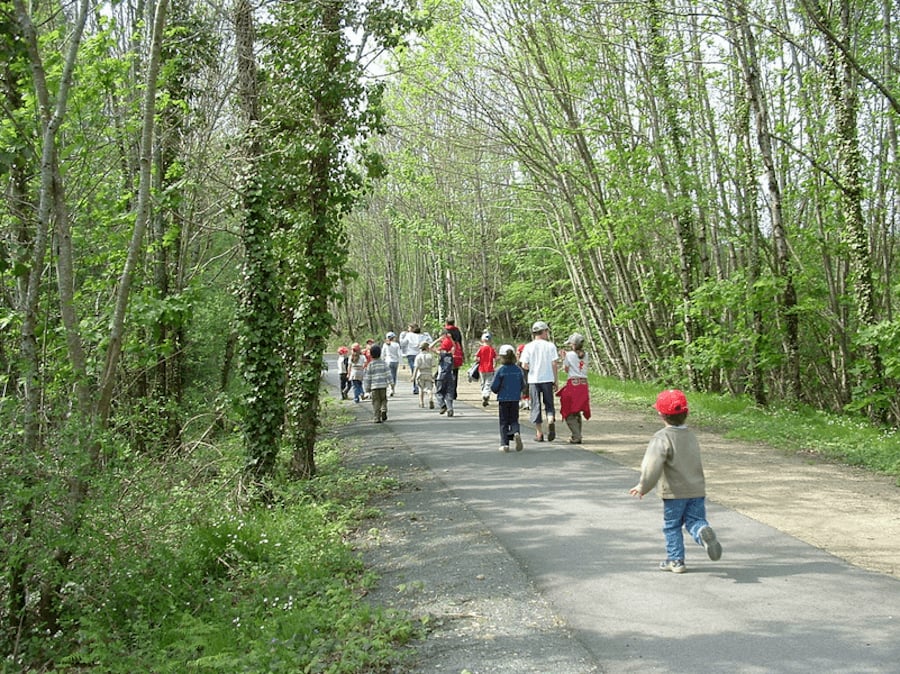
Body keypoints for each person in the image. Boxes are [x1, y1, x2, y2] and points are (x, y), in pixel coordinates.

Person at [629, 389, 723, 574]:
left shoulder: (662, 437)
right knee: (695, 520)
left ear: (660, 414)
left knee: (672, 526)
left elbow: (652, 465)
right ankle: (702, 532)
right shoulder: (691, 435)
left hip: (674, 492)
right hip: (696, 489)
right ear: (686, 413)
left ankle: (676, 561)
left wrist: (643, 486)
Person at [519, 321, 559, 442]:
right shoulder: (550, 346)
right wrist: (556, 380)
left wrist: (532, 368)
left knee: (536, 405)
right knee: (549, 404)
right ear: (544, 332)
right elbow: (554, 364)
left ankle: (539, 433)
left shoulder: (528, 346)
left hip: (534, 380)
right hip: (548, 379)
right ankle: (551, 420)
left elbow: (524, 365)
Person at [557, 333, 591, 443]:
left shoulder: (569, 355)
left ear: (573, 344)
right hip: (583, 385)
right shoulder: (587, 354)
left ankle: (576, 435)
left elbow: (566, 369)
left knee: (568, 410)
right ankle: (577, 434)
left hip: (573, 384)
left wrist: (563, 358)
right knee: (577, 410)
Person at [491, 344, 525, 452]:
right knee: (514, 419)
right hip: (515, 398)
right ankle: (515, 432)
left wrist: (496, 391)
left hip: (503, 399)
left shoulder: (500, 370)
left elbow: (494, 386)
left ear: (502, 357)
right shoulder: (518, 369)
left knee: (504, 421)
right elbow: (523, 384)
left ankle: (504, 444)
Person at [363, 344, 391, 423]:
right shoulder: (384, 363)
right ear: (380, 353)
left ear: (371, 355)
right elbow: (388, 373)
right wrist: (391, 382)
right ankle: (383, 409)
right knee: (384, 399)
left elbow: (367, 377)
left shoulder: (370, 365)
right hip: (383, 386)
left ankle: (376, 417)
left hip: (374, 387)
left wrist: (367, 389)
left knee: (376, 401)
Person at [433, 334, 456, 417]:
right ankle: (450, 408)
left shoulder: (441, 354)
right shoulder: (451, 354)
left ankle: (443, 405)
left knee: (439, 393)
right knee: (449, 393)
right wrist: (451, 339)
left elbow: (430, 347)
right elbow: (454, 347)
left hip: (441, 376)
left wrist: (438, 340)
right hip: (450, 376)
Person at [475, 332, 497, 407]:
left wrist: (478, 360)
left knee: (483, 382)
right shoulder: (491, 349)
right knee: (488, 383)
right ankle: (486, 395)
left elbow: (476, 358)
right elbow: (495, 359)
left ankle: (483, 396)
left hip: (481, 368)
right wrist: (494, 365)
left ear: (482, 340)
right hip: (490, 368)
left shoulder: (481, 349)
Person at [444, 318, 464, 401]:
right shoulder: (457, 331)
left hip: (447, 352)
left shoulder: (445, 330)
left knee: (445, 373)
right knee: (455, 374)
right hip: (456, 352)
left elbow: (443, 341)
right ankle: (454, 393)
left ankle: (447, 391)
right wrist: (461, 353)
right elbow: (460, 341)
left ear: (446, 322)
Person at [399, 324, 423, 393]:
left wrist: (401, 336)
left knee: (414, 370)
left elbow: (403, 343)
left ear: (412, 328)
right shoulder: (420, 335)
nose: (408, 329)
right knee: (419, 370)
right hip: (419, 353)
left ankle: (416, 388)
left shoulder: (408, 335)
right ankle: (420, 386)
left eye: (409, 327)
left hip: (411, 354)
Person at [412, 341, 435, 409]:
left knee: (420, 389)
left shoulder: (418, 356)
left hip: (420, 373)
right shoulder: (430, 356)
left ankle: (421, 402)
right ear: (427, 348)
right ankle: (430, 398)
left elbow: (416, 367)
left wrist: (413, 376)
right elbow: (434, 365)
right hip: (429, 373)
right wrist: (434, 374)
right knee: (429, 388)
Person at [382, 332, 402, 396]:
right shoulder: (396, 344)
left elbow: (383, 354)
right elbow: (399, 354)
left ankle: (390, 388)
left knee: (388, 375)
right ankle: (392, 389)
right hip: (395, 361)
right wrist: (401, 362)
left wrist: (382, 360)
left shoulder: (385, 345)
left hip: (388, 361)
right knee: (394, 375)